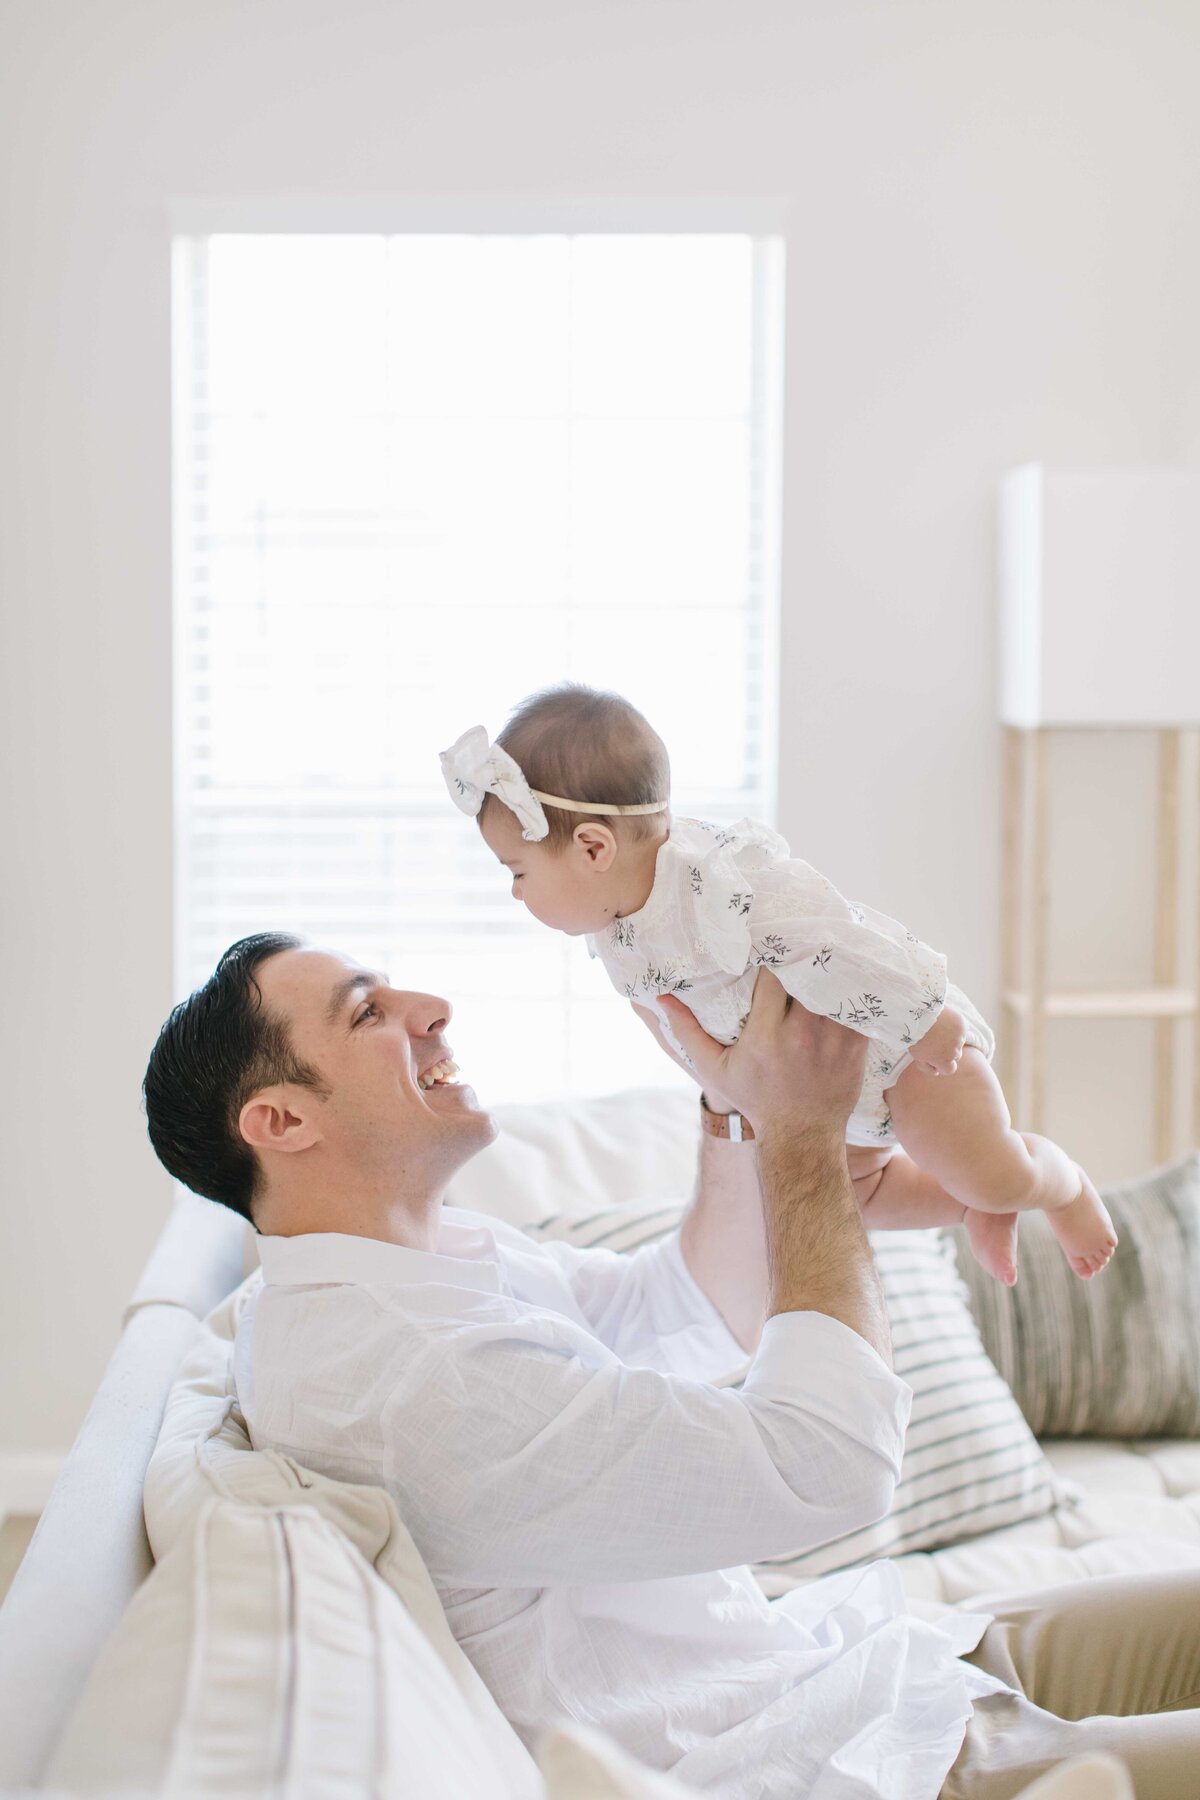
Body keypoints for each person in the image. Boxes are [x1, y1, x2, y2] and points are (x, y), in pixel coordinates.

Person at [143, 933, 1200, 1799]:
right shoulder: (408, 1377)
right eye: (367, 1012)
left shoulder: (414, 1268)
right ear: (280, 1123)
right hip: (855, 1766)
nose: (430, 1006)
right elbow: (829, 1466)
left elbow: (680, 1306)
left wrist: (730, 1100)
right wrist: (801, 1140)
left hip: (852, 1668)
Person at [441, 685, 1118, 1289]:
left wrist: (924, 1015)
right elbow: (671, 1022)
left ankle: (1057, 1183)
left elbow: (835, 933)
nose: (513, 890)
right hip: (831, 1100)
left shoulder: (717, 884)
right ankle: (978, 1204)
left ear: (593, 848)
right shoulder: (613, 929)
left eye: (518, 870)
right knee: (859, 1197)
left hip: (902, 1053)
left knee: (991, 1168)